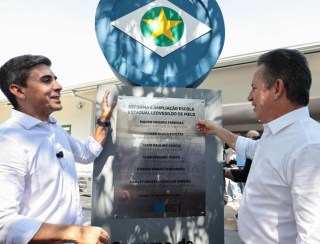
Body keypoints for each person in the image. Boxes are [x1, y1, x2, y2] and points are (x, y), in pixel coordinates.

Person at [197, 49, 320, 243]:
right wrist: (216, 130)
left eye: (254, 88)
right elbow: (250, 148)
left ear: (277, 88)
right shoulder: (277, 135)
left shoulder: (309, 146)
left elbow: (313, 236)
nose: (249, 96)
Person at [0, 55, 116, 243]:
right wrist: (75, 233)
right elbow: (3, 224)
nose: (58, 86)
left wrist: (103, 119)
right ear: (18, 90)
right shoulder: (8, 140)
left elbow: (87, 153)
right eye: (46, 80)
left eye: (55, 79)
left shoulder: (55, 129)